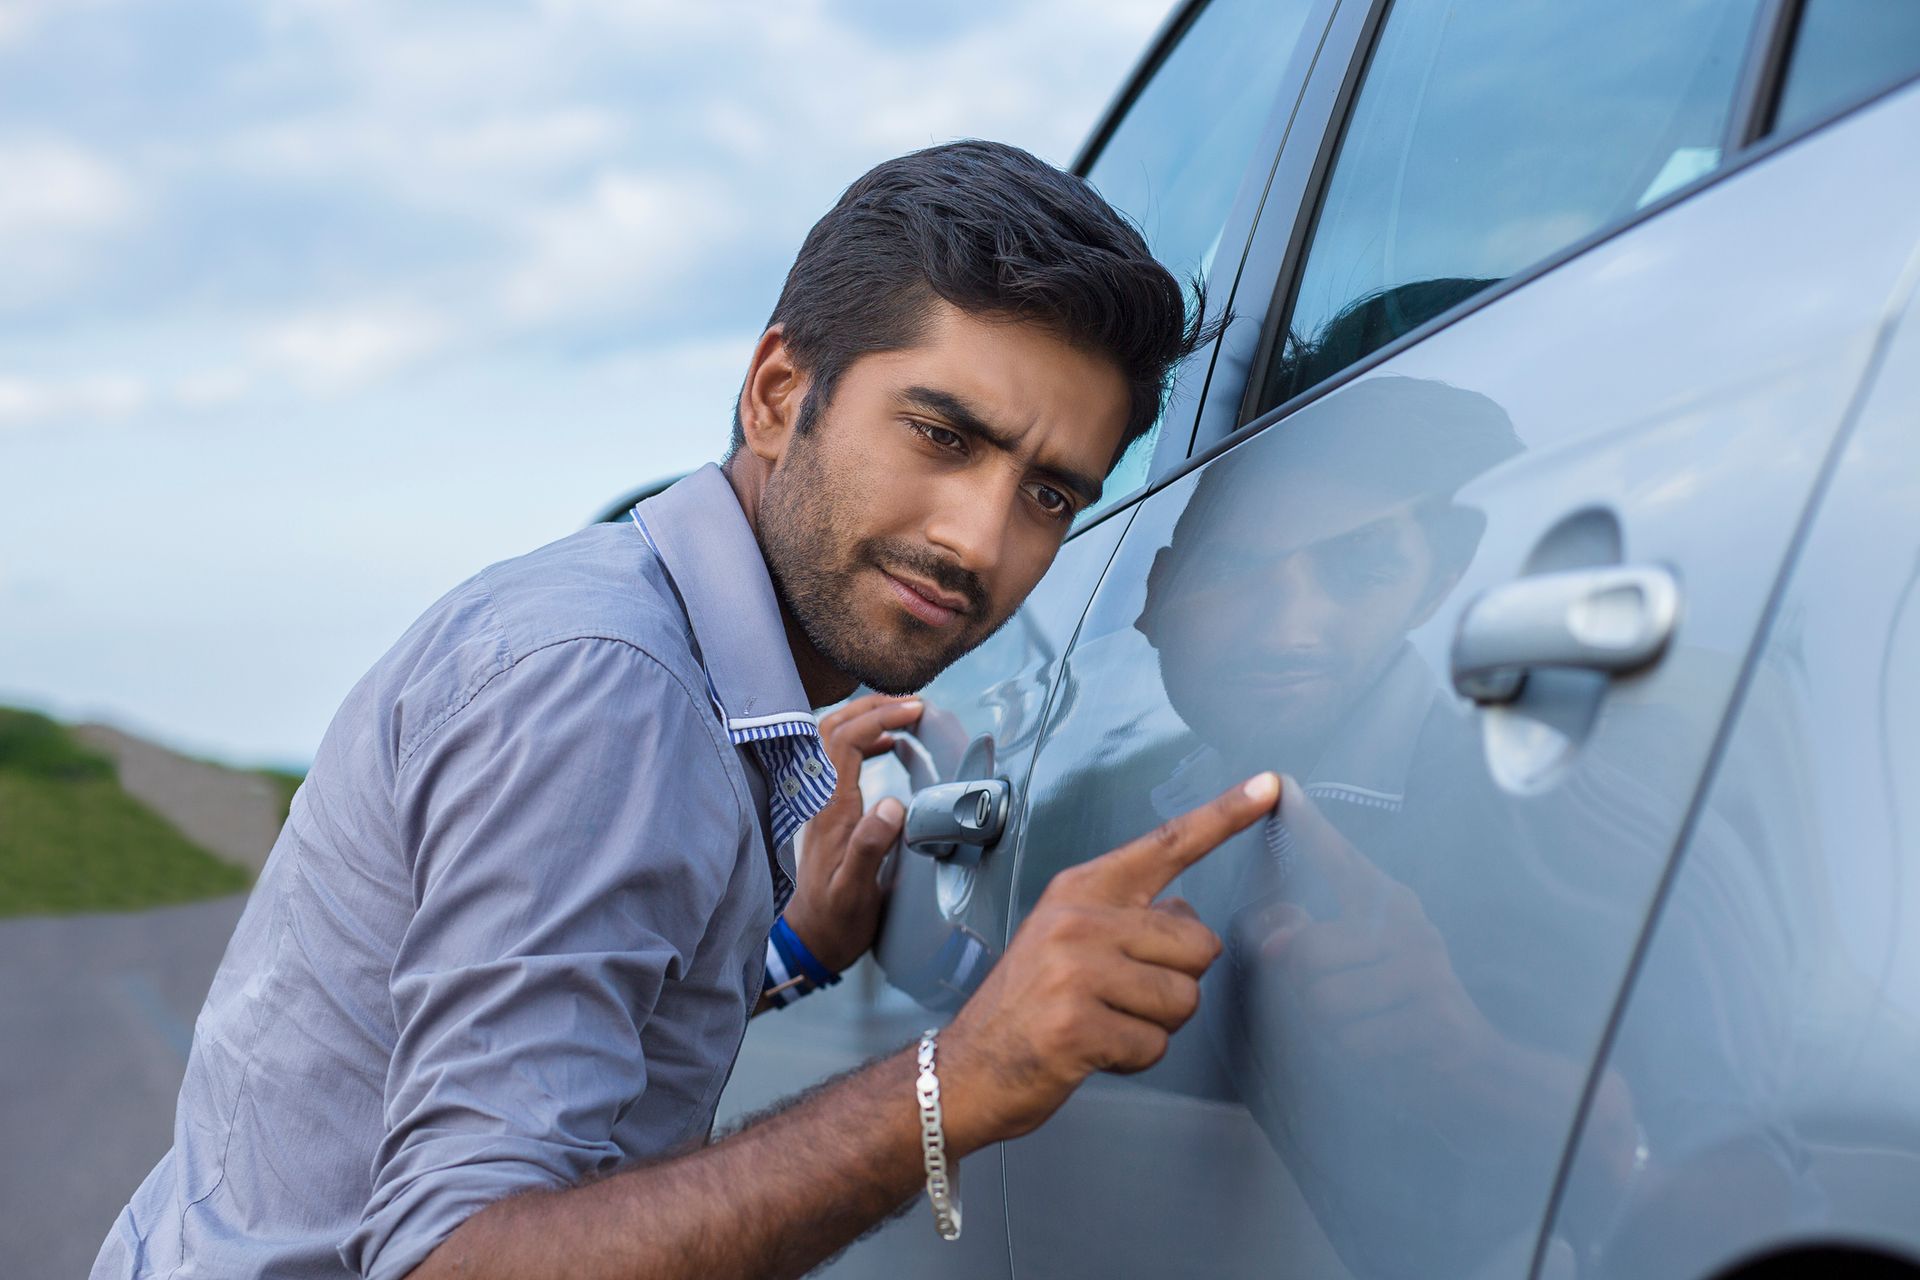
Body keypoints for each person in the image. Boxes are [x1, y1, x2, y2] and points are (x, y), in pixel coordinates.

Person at [91, 139, 1279, 1280]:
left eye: (1051, 491)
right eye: (941, 433)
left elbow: (570, 1004)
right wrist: (956, 1077)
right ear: (777, 393)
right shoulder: (608, 687)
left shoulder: (668, 663)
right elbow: (457, 1259)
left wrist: (788, 950)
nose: (981, 537)